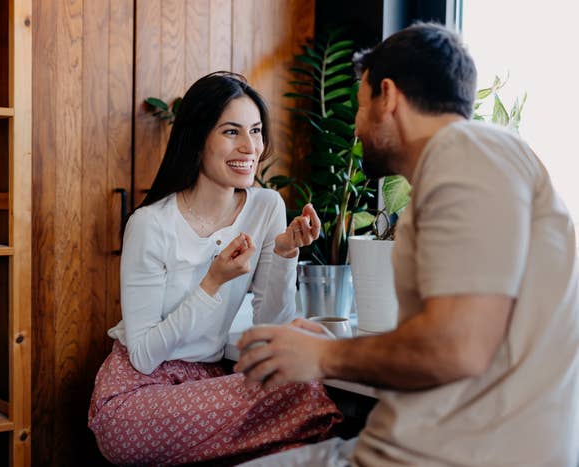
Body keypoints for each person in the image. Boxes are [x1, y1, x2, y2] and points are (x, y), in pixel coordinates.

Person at [236, 22, 579, 466]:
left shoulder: (467, 150)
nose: (356, 128)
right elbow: (458, 344)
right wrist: (333, 346)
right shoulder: (465, 167)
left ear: (389, 96)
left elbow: (457, 346)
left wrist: (326, 356)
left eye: (360, 107)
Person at [88, 71, 342, 466]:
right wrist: (211, 283)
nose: (250, 146)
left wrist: (286, 252)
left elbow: (271, 326)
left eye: (256, 131)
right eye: (231, 132)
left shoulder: (266, 206)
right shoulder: (150, 224)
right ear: (198, 137)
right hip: (137, 395)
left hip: (209, 385)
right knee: (303, 394)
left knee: (296, 417)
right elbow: (142, 355)